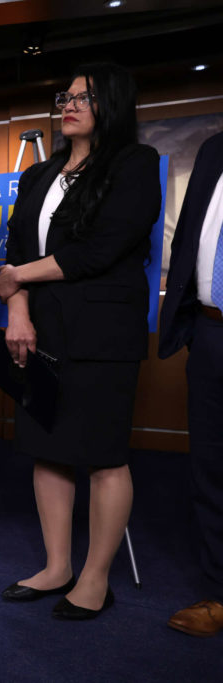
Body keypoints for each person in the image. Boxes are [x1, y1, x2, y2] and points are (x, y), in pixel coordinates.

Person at [0, 63, 161, 620]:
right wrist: (17, 311)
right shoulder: (40, 175)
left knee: (104, 457)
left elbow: (100, 250)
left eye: (83, 98)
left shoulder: (133, 165)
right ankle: (57, 566)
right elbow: (14, 255)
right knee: (48, 449)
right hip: (39, 330)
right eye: (64, 95)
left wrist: (18, 279)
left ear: (111, 105)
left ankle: (95, 578)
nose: (68, 104)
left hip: (102, 333)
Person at [158, 130, 223, 636]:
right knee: (212, 469)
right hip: (212, 330)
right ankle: (219, 594)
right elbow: (190, 238)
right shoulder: (214, 149)